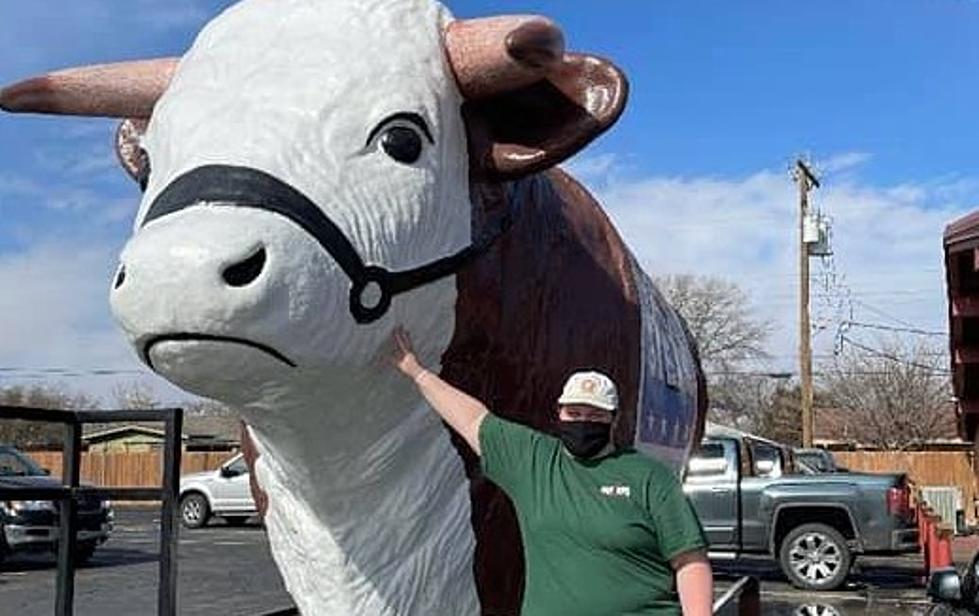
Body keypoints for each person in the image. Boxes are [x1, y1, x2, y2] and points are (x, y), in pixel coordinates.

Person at [389, 327, 713, 616]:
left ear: (614, 420)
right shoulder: (534, 461)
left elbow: (689, 559)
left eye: (595, 414)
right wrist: (418, 373)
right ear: (559, 413)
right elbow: (473, 420)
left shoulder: (649, 477)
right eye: (575, 411)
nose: (583, 420)